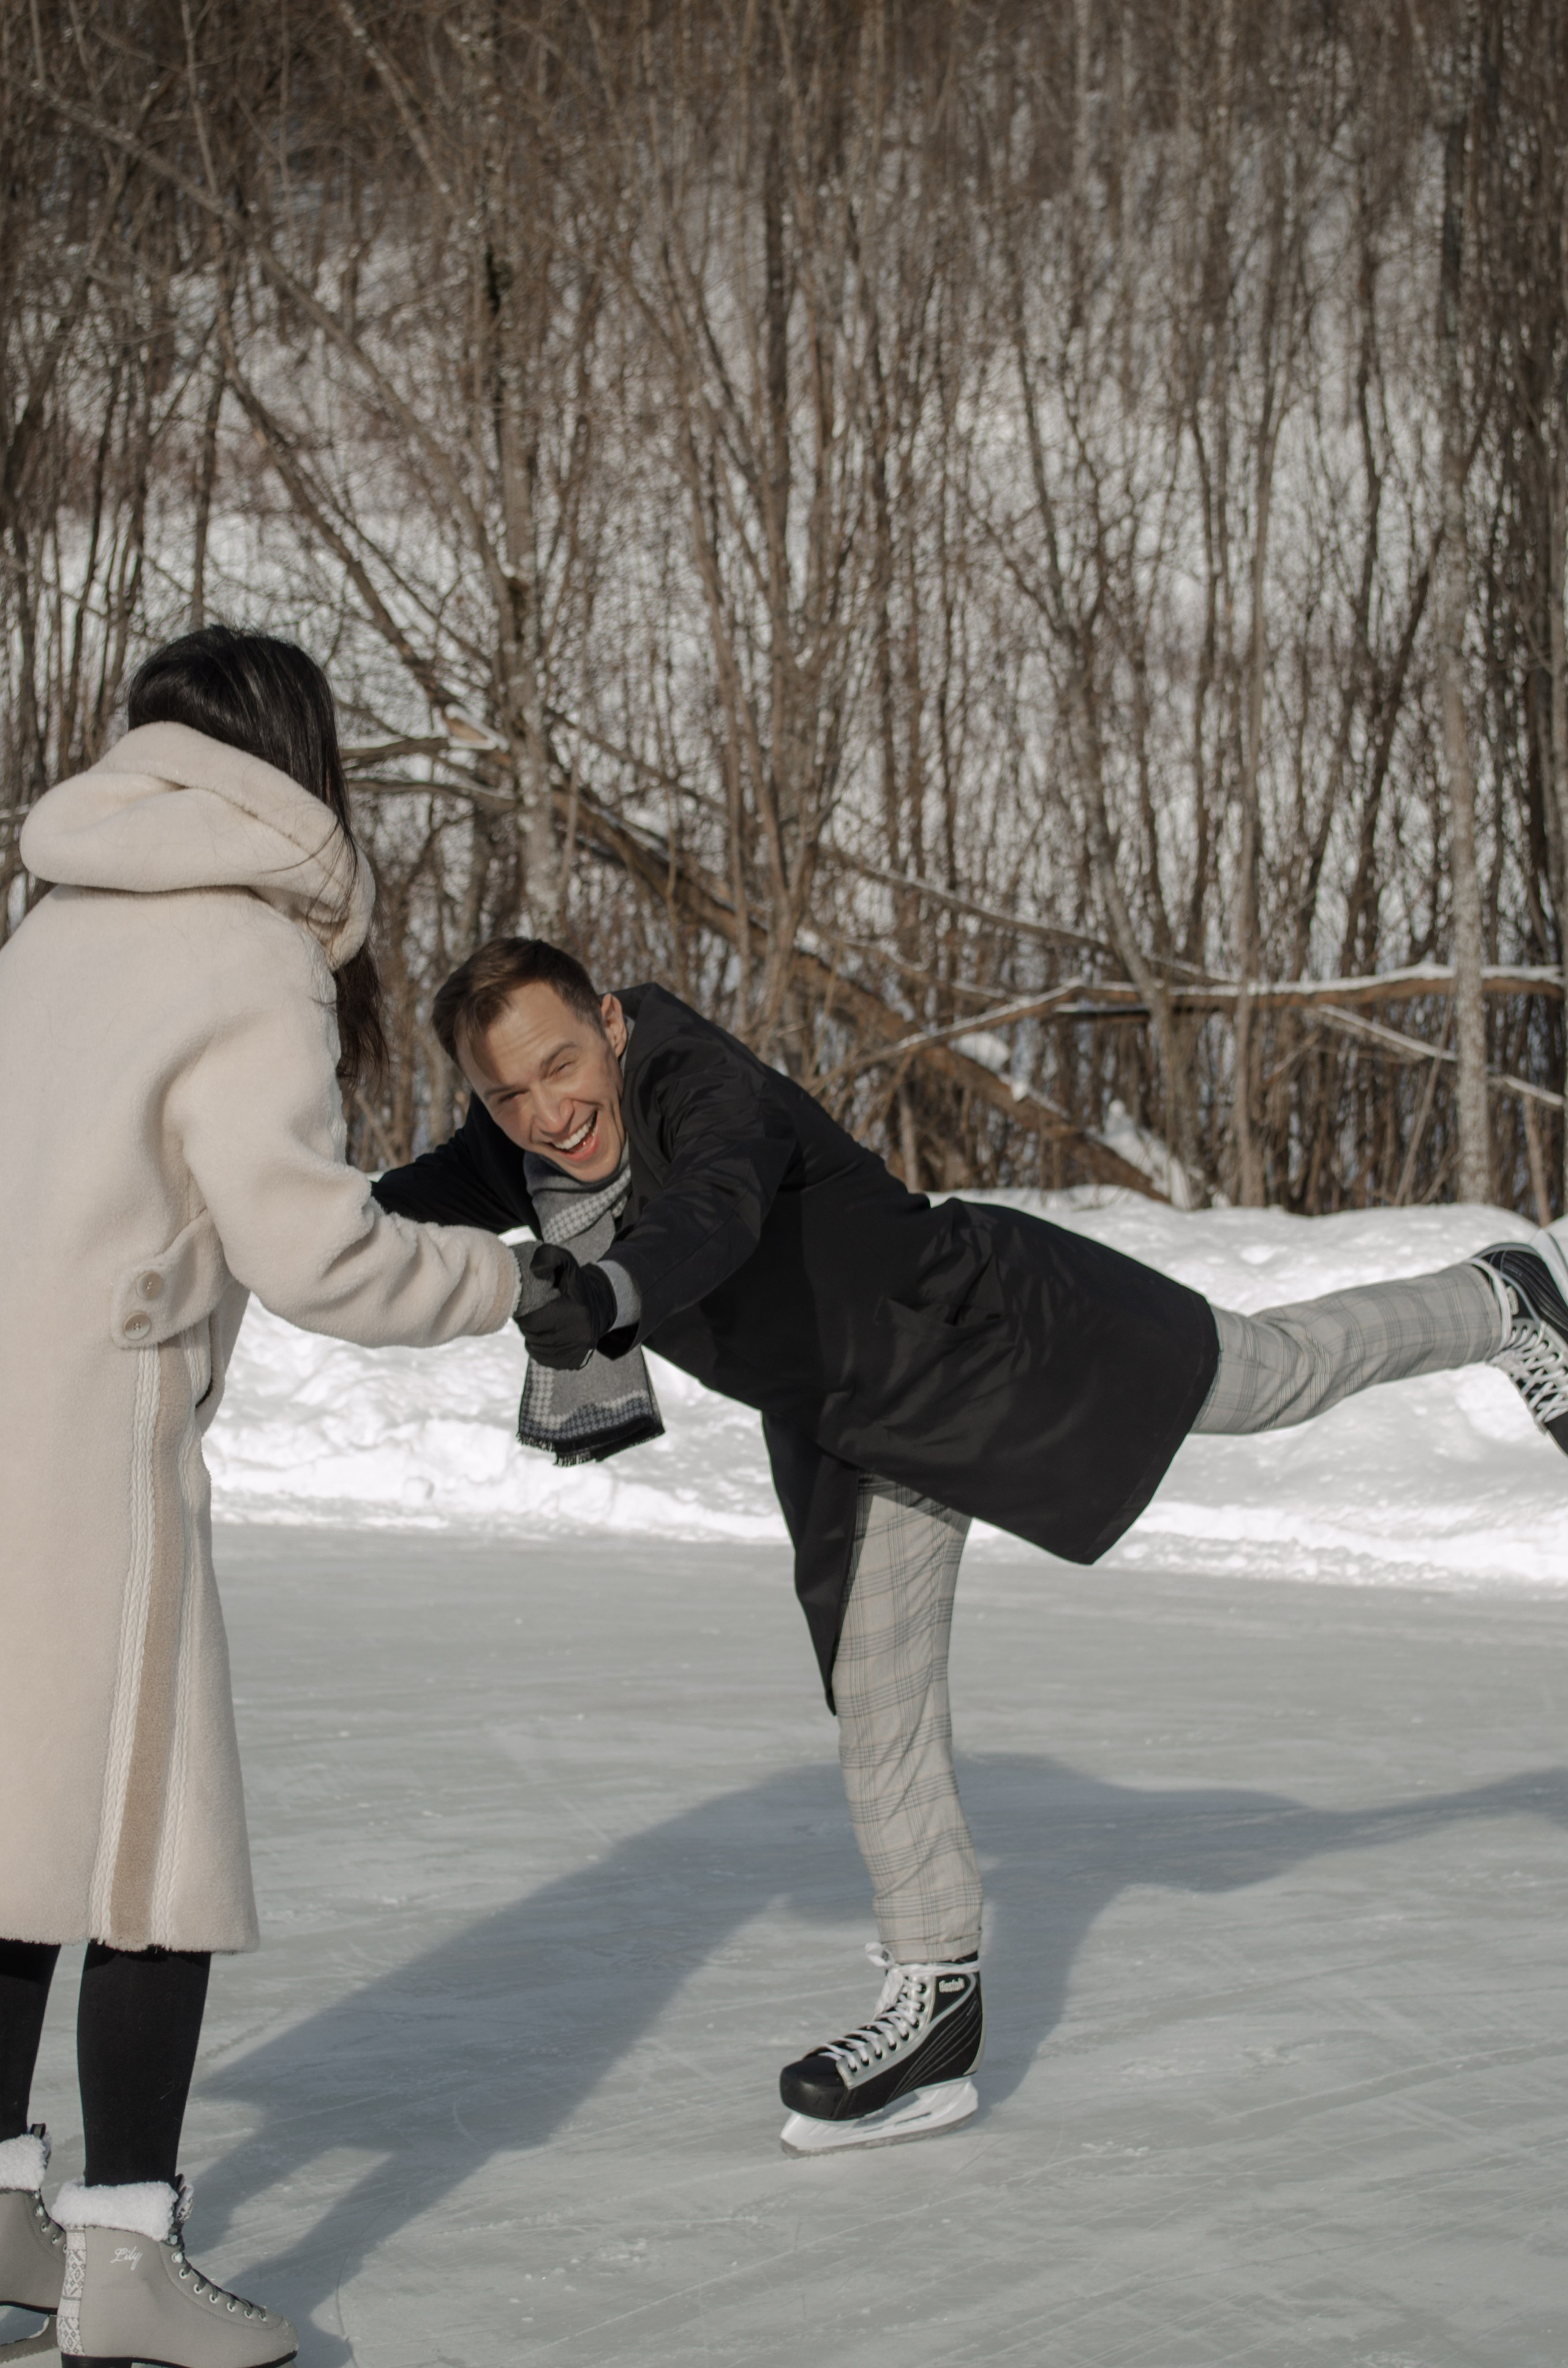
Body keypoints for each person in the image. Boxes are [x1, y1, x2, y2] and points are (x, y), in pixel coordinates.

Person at [372, 936, 1568, 2155]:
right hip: (854, 1427)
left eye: (560, 1065)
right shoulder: (515, 1153)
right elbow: (364, 1216)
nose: (545, 1111)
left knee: (1268, 1378)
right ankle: (932, 2002)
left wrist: (611, 1291)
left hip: (988, 1321)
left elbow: (712, 1212)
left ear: (611, 1026)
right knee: (876, 1706)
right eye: (505, 1092)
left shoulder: (698, 1082)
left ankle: (1497, 1300)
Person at [0, 631, 523, 2365]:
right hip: (102, 1436)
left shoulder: (46, 923)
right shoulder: (246, 950)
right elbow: (312, 1252)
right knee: (149, 1844)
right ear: (297, 763)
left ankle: (1, 2211)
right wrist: (516, 1286)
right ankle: (126, 2259)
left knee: (17, 1829)